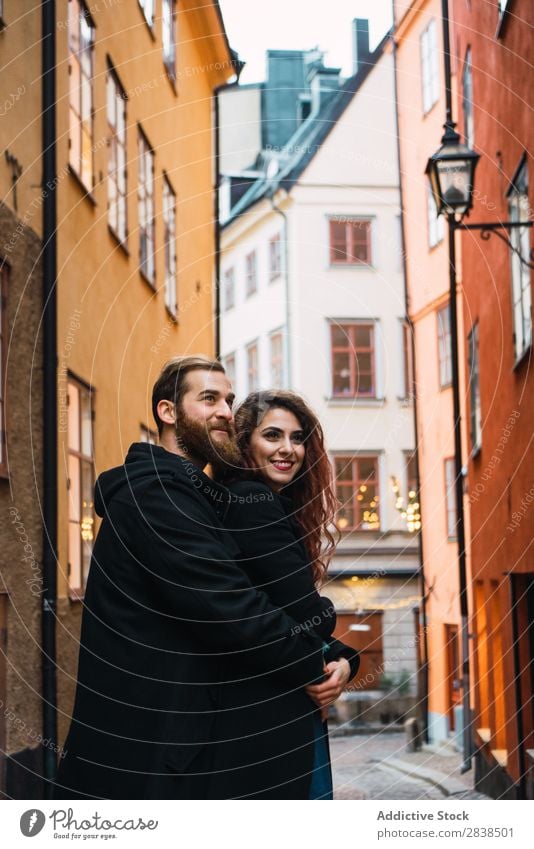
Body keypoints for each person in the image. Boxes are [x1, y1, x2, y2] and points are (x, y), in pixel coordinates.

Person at [53, 357, 328, 800]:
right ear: (168, 412)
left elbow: (261, 597)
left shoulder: (194, 496)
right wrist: (317, 658)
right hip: (148, 756)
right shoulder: (156, 496)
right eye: (209, 399)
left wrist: (336, 654)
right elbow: (234, 609)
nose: (225, 411)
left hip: (177, 751)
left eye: (229, 400)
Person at [211, 390, 360, 799]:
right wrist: (330, 626)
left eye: (297, 438)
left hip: (272, 707)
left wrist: (345, 658)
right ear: (245, 443)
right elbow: (308, 613)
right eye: (273, 435)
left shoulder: (251, 499)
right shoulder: (253, 501)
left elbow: (288, 615)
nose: (288, 449)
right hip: (272, 713)